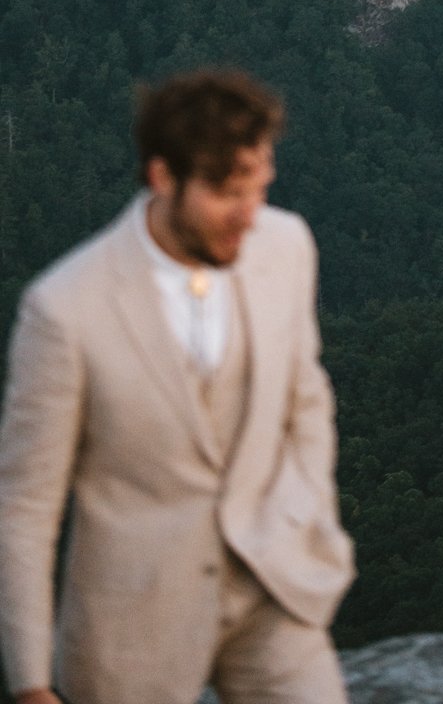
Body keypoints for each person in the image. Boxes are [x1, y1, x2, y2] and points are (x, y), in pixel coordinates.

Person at [0, 68, 354, 704]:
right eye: (227, 193)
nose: (249, 216)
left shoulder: (286, 245)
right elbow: (25, 507)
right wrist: (30, 682)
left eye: (260, 188)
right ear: (163, 178)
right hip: (133, 629)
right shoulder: (65, 310)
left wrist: (311, 519)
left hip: (273, 589)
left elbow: (306, 398)